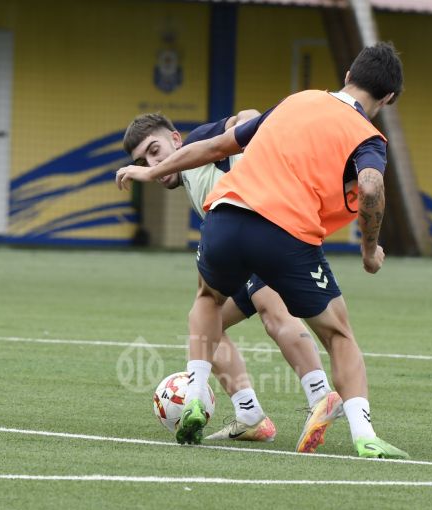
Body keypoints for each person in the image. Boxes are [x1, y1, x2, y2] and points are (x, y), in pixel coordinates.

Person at [116, 42, 409, 459]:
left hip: (227, 219)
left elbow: (219, 144)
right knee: (338, 333)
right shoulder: (369, 138)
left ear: (347, 75)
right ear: (389, 98)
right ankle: (362, 433)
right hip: (286, 233)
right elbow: (371, 187)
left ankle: (203, 394)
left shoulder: (299, 100)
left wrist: (151, 173)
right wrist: (369, 248)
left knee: (207, 302)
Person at [121, 112, 344, 450]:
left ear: (176, 140)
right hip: (242, 247)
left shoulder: (198, 142)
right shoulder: (194, 174)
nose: (153, 163)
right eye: (144, 160)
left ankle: (321, 395)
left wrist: (254, 139)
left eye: (155, 150)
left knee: (271, 311)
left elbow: (246, 119)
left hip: (257, 229)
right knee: (209, 327)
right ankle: (250, 415)